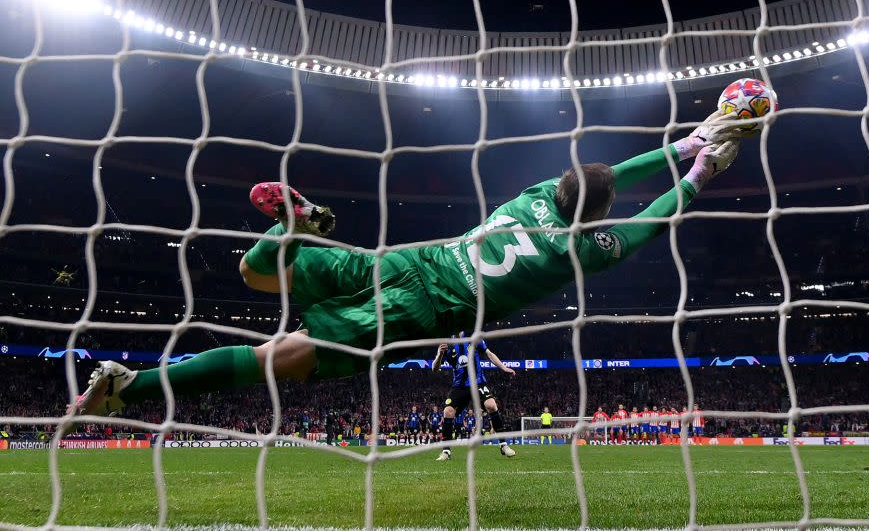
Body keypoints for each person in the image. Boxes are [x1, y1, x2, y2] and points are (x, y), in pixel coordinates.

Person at [70, 113, 748, 427]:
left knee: (259, 276)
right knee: (280, 357)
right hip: (422, 312)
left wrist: (684, 139)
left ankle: (288, 230)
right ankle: (130, 387)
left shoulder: (538, 193)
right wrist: (701, 169)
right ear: (595, 219)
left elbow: (611, 173)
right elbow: (654, 214)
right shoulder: (589, 246)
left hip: (408, 260)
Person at [432, 334, 516, 460]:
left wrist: (503, 367)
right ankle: (446, 451)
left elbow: (489, 354)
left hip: (478, 382)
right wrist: (439, 354)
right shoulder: (447, 344)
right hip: (460, 386)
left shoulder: (474, 338)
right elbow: (434, 368)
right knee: (447, 412)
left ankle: (503, 445)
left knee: (491, 405)